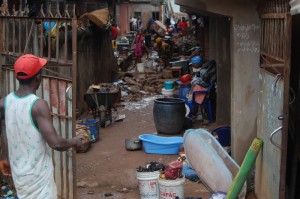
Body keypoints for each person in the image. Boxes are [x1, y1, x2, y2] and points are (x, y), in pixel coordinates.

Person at [0, 54, 84, 199]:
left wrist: (5, 155)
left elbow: (4, 129)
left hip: (19, 175)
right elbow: (56, 143)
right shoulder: (38, 106)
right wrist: (74, 141)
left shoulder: (5, 102)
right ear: (38, 77)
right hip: (38, 178)